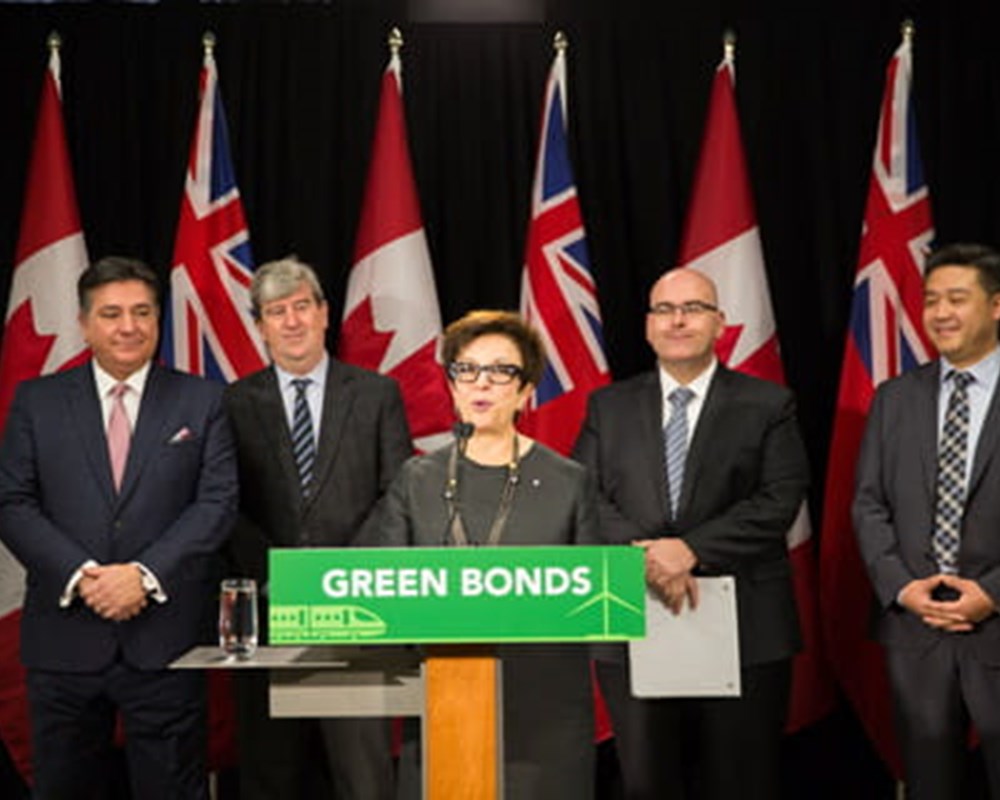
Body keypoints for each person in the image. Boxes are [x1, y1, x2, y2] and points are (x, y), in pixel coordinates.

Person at [0, 256, 237, 800]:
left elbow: (217, 504)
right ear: (84, 323)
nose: (128, 326)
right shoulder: (37, 402)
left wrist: (144, 575)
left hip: (166, 643)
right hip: (64, 643)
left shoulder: (202, 400)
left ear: (158, 319)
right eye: (111, 314)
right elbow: (13, 503)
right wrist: (85, 577)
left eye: (141, 312)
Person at [573, 267, 808, 799]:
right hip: (633, 610)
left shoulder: (768, 405)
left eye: (693, 308)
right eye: (664, 310)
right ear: (648, 326)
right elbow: (583, 495)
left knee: (741, 781)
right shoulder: (608, 407)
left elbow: (779, 499)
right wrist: (650, 555)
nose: (677, 320)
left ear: (720, 323)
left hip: (745, 620)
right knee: (647, 783)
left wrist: (691, 550)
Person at [373, 309, 597, 800]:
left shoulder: (568, 481)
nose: (482, 383)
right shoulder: (418, 479)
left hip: (543, 707)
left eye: (501, 371)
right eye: (467, 369)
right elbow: (386, 583)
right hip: (443, 698)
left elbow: (593, 600)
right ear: (452, 385)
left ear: (525, 390)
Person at [224, 256, 412, 799]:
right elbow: (224, 504)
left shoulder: (377, 394)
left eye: (301, 306)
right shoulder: (233, 403)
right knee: (271, 772)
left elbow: (397, 493)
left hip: (358, 610)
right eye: (276, 312)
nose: (291, 321)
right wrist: (279, 574)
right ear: (259, 325)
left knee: (364, 774)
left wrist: (338, 574)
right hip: (268, 608)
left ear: (325, 313)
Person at [853, 242, 1000, 799]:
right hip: (916, 630)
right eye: (931, 300)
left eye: (957, 299)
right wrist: (902, 588)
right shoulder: (895, 398)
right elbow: (868, 504)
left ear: (996, 306)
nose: (940, 313)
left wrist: (992, 593)